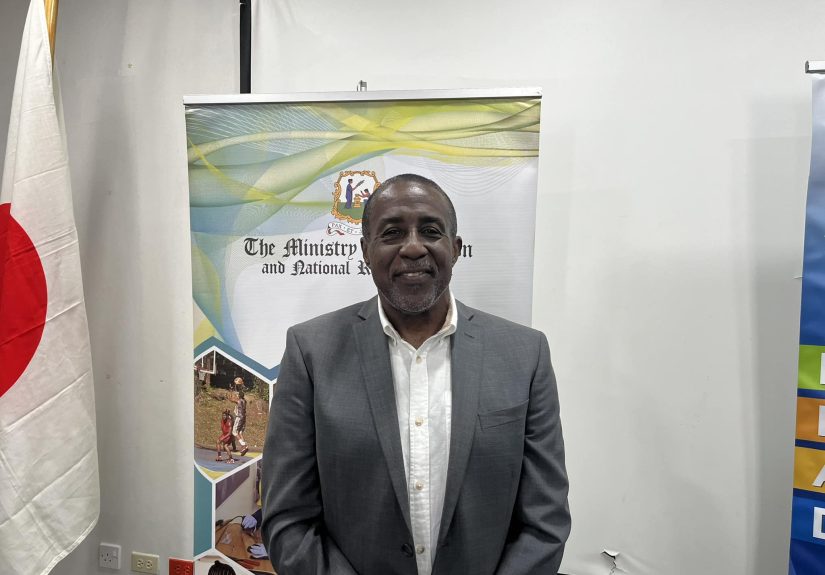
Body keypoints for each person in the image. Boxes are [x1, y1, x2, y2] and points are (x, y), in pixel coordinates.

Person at [261, 173, 570, 575]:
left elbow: (545, 521)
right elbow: (288, 520)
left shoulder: (525, 354)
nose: (412, 247)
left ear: (455, 248)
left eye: (430, 231)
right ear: (365, 251)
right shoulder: (311, 352)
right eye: (392, 233)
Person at [229, 382, 249, 457]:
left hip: (239, 417)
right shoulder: (245, 401)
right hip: (244, 418)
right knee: (240, 433)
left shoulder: (239, 401)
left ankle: (244, 445)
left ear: (239, 396)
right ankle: (244, 447)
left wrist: (231, 390)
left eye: (237, 395)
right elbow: (240, 394)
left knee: (234, 432)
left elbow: (230, 399)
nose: (236, 396)